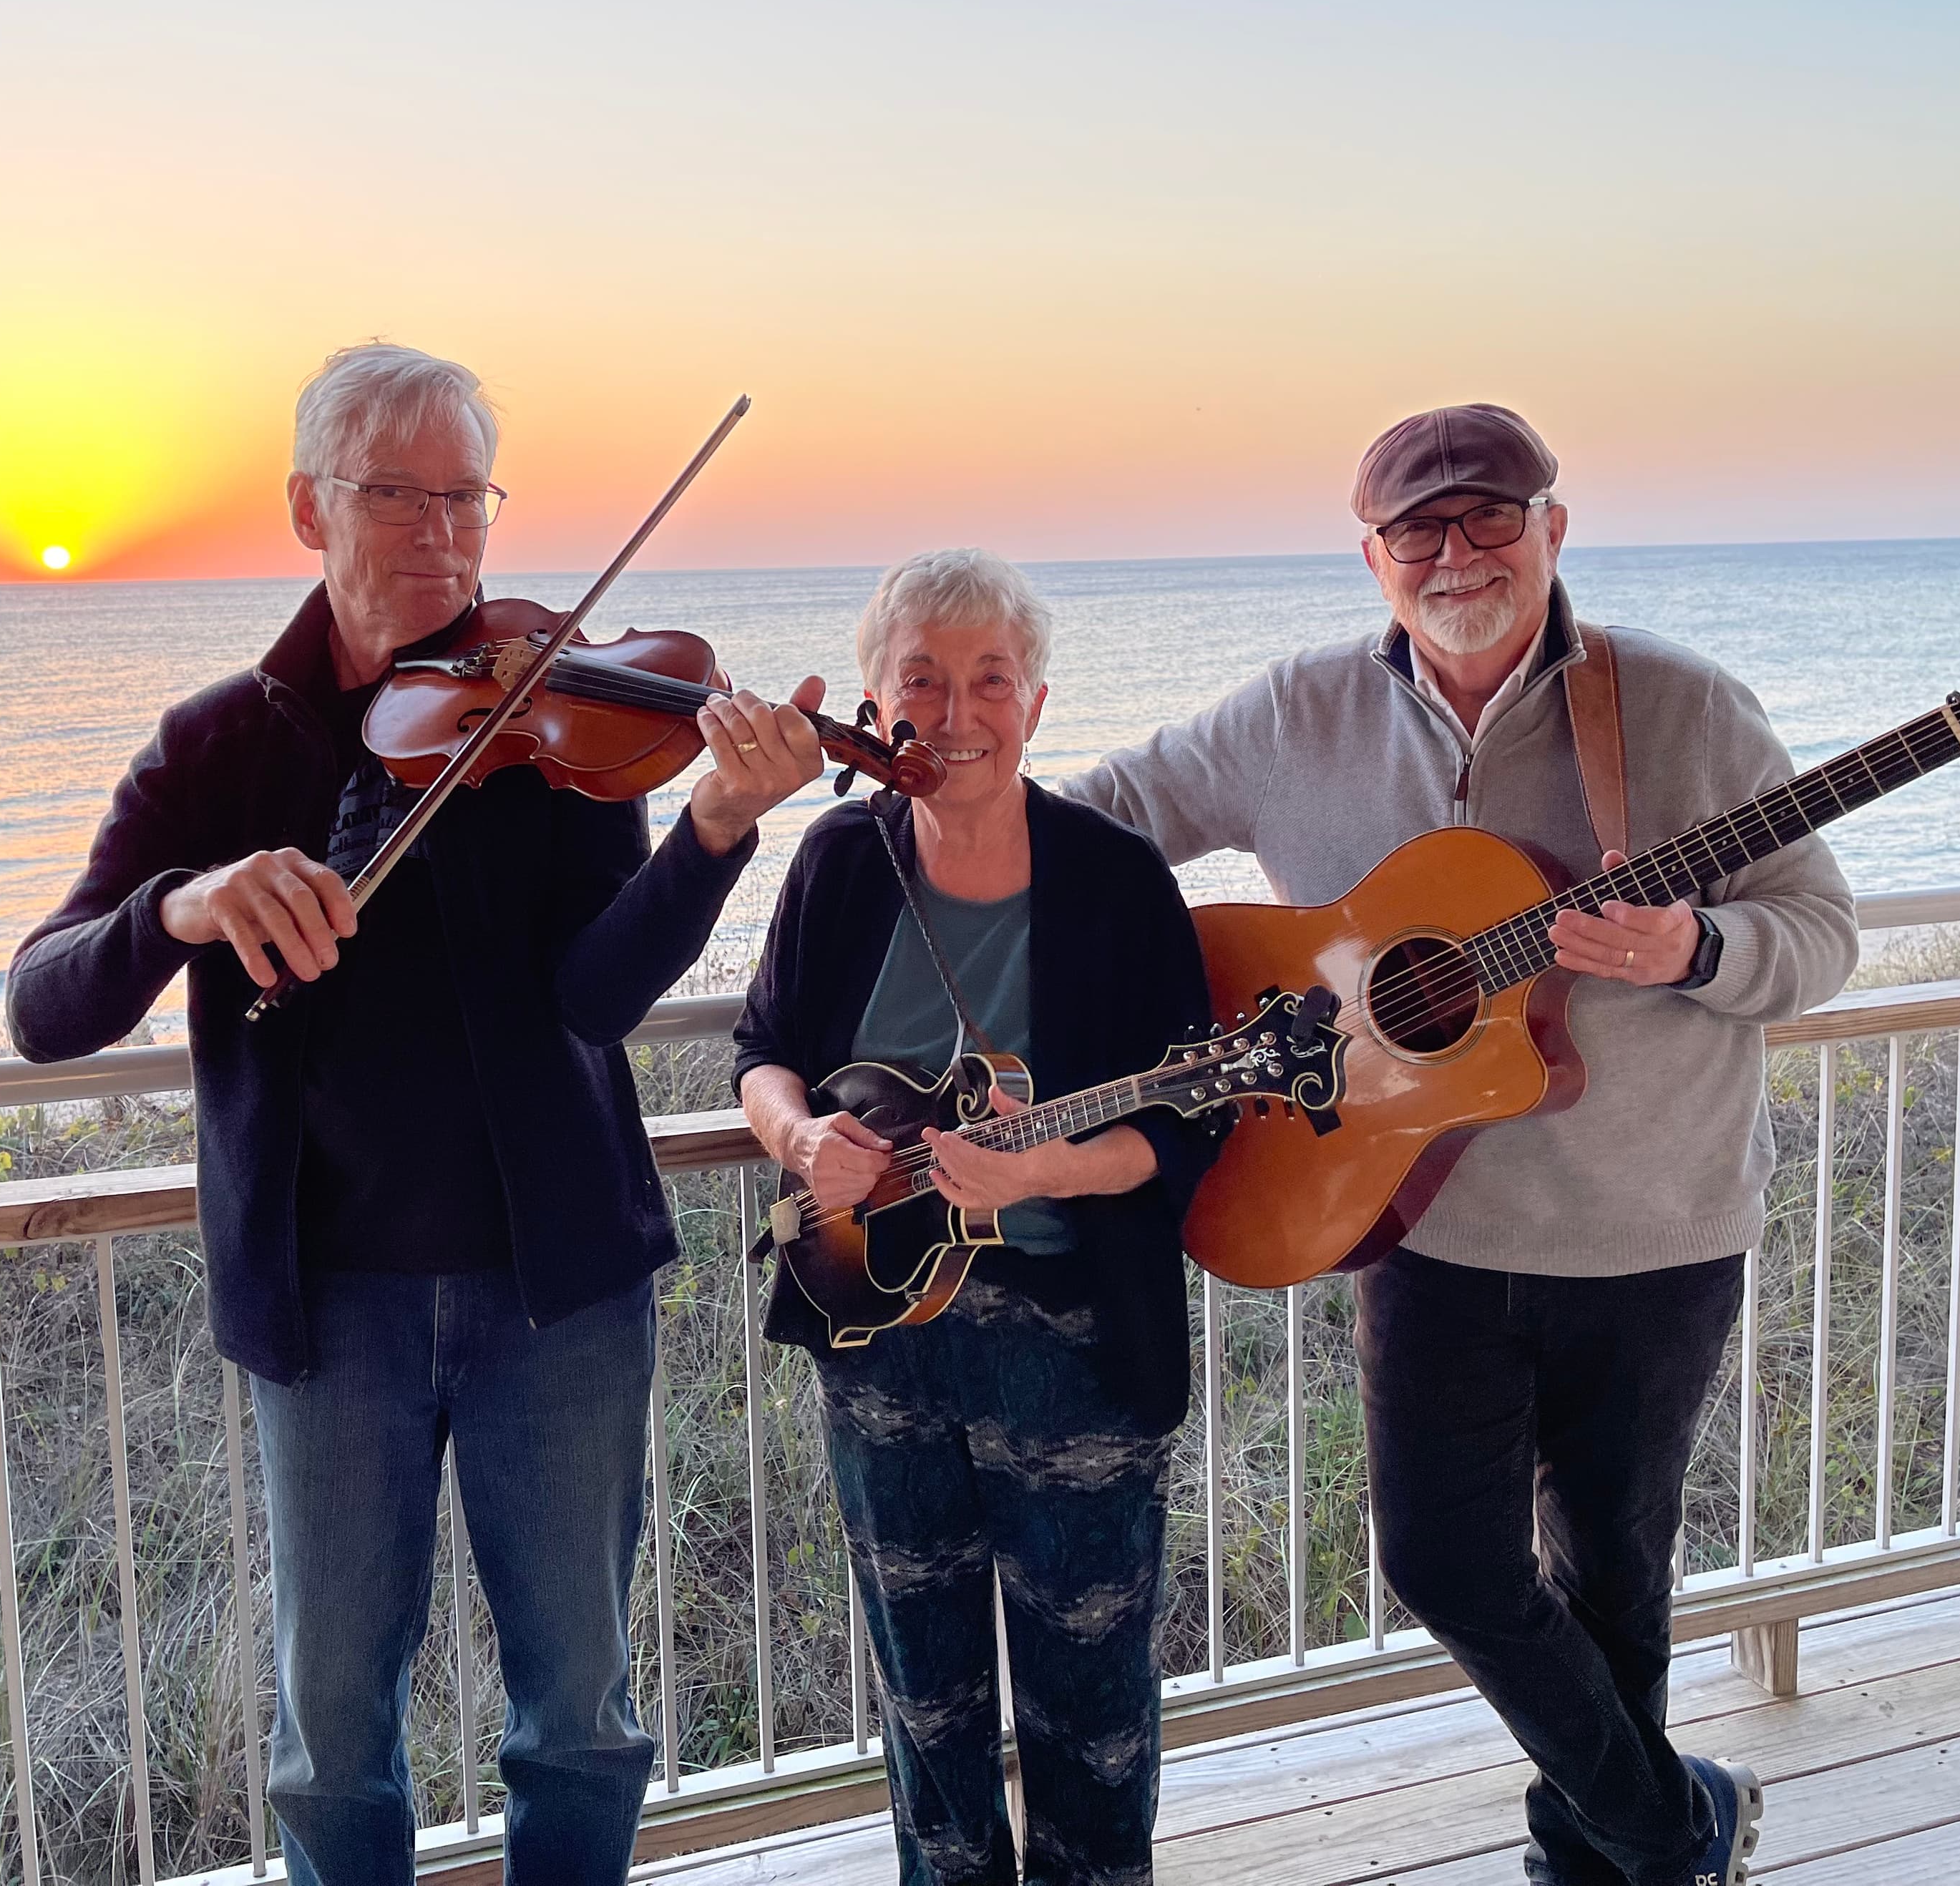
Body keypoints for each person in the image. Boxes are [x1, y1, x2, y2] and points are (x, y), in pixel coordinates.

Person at [6, 343, 826, 1886]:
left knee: (580, 1721)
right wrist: (183, 905)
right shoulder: (217, 747)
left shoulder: (551, 715)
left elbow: (597, 996)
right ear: (309, 505)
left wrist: (715, 829)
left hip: (559, 1292)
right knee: (331, 1740)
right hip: (329, 1314)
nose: (446, 539)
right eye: (402, 497)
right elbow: (45, 1004)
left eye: (470, 500)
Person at [1068, 405, 1858, 1886]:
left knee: (1615, 1580)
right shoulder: (1293, 715)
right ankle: (1680, 1825)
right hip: (1420, 1227)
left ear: (1556, 527)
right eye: (1417, 530)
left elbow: (1819, 935)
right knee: (1443, 1564)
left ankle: (1601, 1861)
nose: (1456, 554)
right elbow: (1097, 826)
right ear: (1372, 556)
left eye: (1490, 517)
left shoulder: (1682, 709)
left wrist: (1695, 946)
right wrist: (919, 834)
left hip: (1654, 1228)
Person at [735, 547, 1220, 1885]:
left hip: (1075, 1349)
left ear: (1039, 703)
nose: (958, 714)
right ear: (882, 706)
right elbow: (764, 1047)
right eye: (924, 681)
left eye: (990, 680)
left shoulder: (1117, 881)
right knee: (926, 1703)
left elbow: (1190, 1128)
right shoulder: (841, 857)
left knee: (1094, 1705)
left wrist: (1043, 1170)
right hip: (877, 1331)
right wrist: (798, 1136)